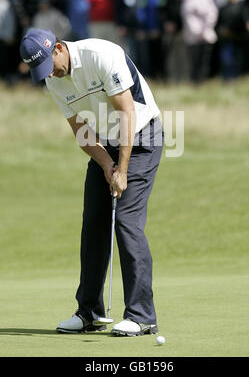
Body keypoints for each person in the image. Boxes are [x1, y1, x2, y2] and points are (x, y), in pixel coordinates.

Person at [19, 28, 164, 337]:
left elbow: (127, 113)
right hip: (106, 145)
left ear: (58, 47)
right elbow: (81, 132)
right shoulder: (53, 80)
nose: (51, 74)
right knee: (94, 222)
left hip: (142, 135)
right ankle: (90, 313)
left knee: (125, 221)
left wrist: (121, 170)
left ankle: (141, 316)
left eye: (50, 65)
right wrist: (107, 164)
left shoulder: (101, 55)